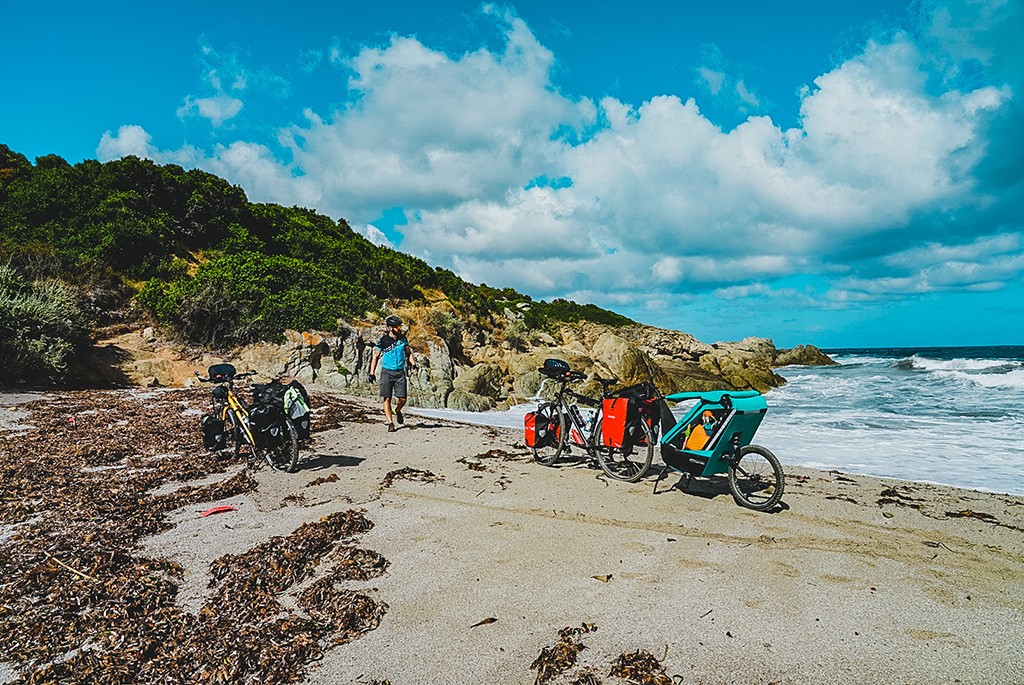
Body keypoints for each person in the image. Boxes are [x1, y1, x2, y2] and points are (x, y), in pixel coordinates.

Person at [368, 315, 417, 432]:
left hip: (400, 372)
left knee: (403, 399)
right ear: (390, 328)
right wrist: (372, 373)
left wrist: (413, 364)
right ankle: (390, 423)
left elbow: (408, 353)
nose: (400, 328)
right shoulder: (383, 341)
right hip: (387, 372)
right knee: (387, 399)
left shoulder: (403, 339)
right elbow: (376, 356)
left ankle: (398, 410)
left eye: (400, 326)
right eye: (397, 326)